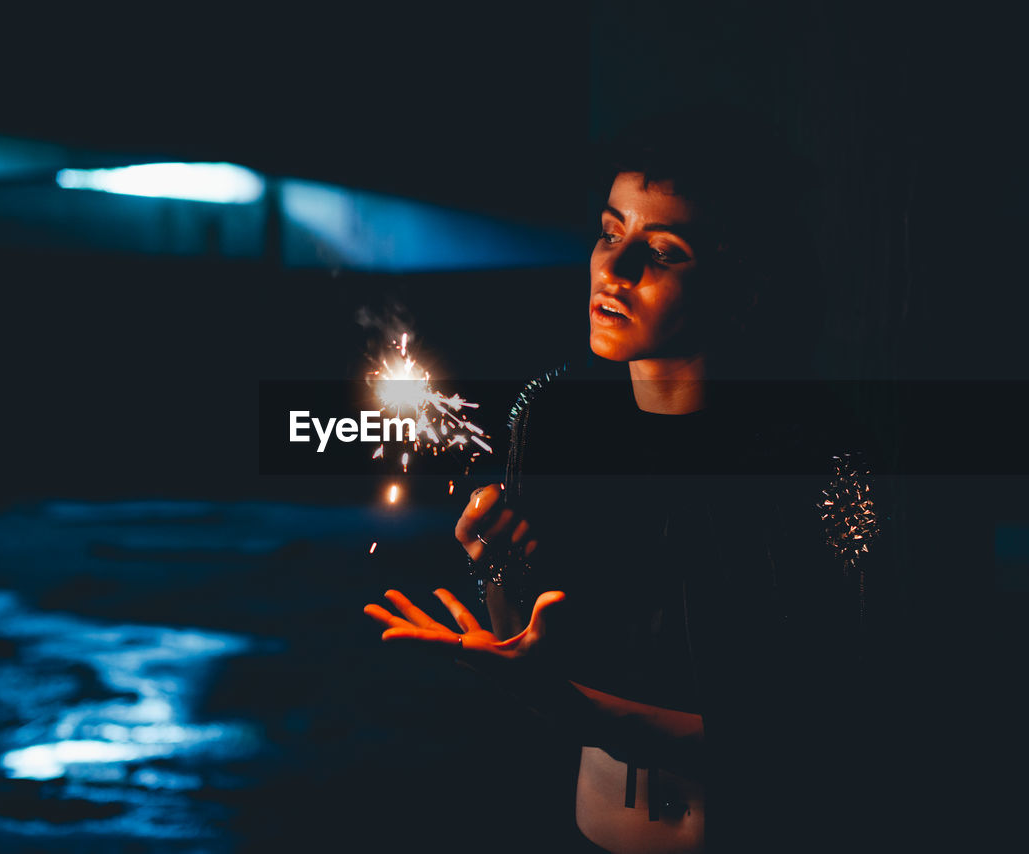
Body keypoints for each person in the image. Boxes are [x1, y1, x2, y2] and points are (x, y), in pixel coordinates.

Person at [364, 108, 878, 854]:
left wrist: (589, 715)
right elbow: (532, 645)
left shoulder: (817, 449)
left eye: (663, 252)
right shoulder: (554, 418)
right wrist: (501, 564)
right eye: (610, 233)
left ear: (746, 286)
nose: (614, 268)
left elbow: (838, 719)